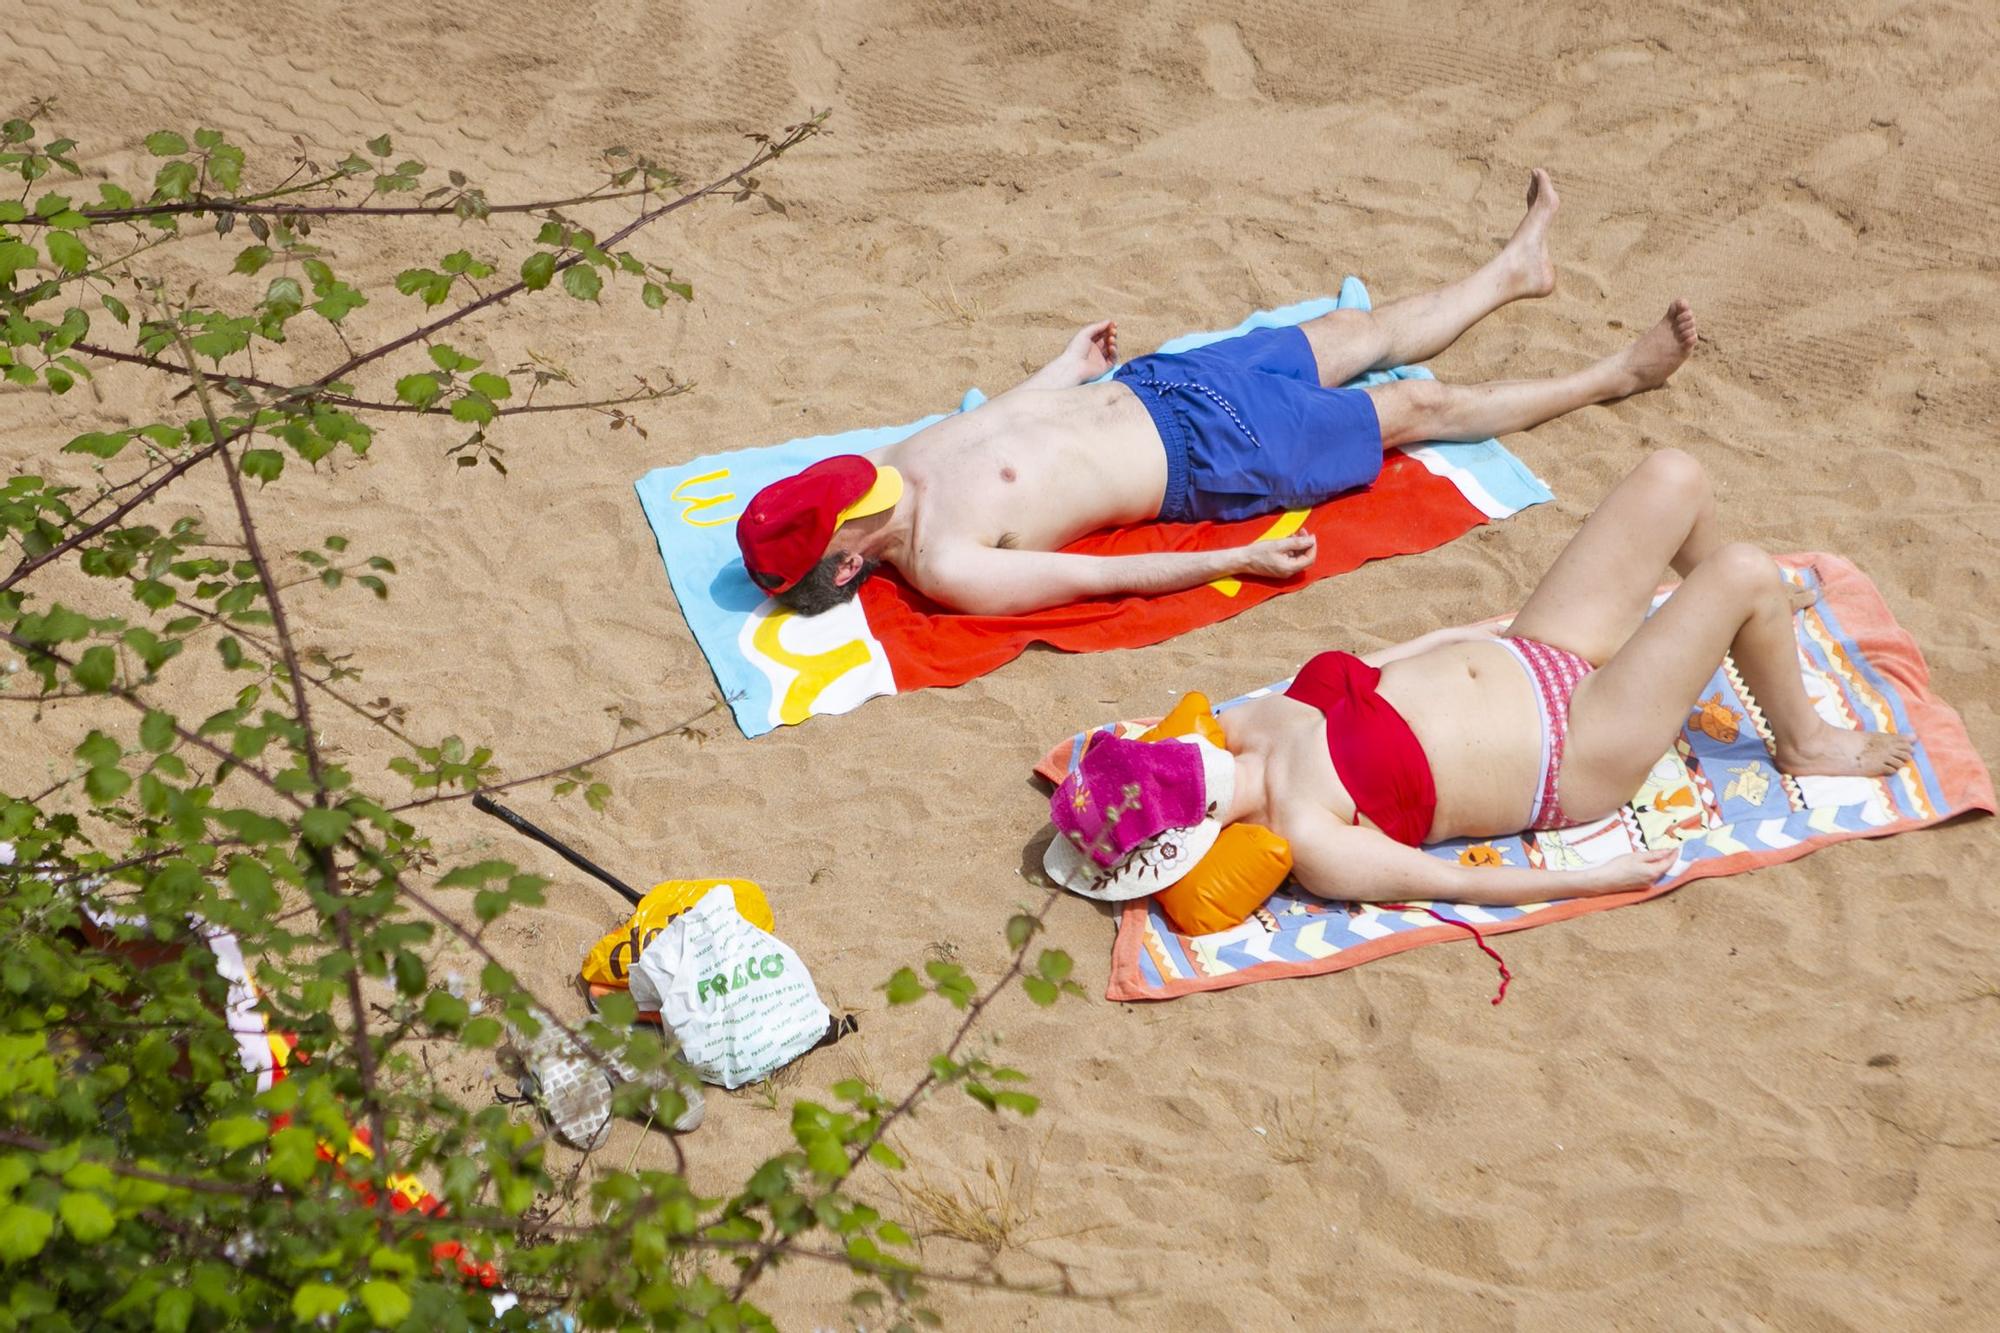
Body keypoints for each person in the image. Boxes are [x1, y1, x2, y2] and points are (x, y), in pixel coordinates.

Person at [736, 170, 1702, 617]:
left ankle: (1511, 273)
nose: (847, 484)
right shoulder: (948, 563)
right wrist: (1236, 557)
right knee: (1415, 410)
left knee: (1353, 334)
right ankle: (1618, 375)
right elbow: (1101, 579)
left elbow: (995, 420)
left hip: (1164, 382)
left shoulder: (893, 470)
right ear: (851, 563)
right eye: (835, 513)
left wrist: (1066, 367)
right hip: (1215, 456)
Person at [1043, 450, 1914, 908]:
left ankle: (1747, 630)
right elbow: (1459, 883)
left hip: (1537, 653)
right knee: (1744, 574)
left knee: (1674, 475)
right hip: (1576, 749)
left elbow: (1397, 660)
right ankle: (1802, 739)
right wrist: (1591, 877)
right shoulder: (1310, 836)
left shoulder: (1252, 724)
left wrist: (1489, 631)